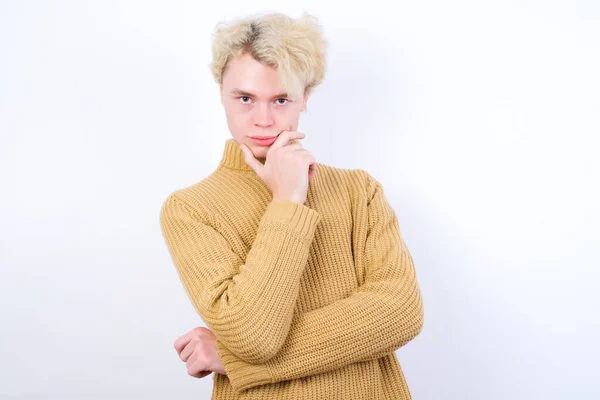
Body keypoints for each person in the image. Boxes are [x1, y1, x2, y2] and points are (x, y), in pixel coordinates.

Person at [159, 11, 424, 399]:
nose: (263, 120)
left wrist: (233, 360)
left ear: (306, 98)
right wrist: (287, 201)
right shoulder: (191, 208)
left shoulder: (358, 191)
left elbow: (400, 313)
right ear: (221, 93)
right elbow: (253, 336)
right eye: (245, 98)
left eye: (281, 99)